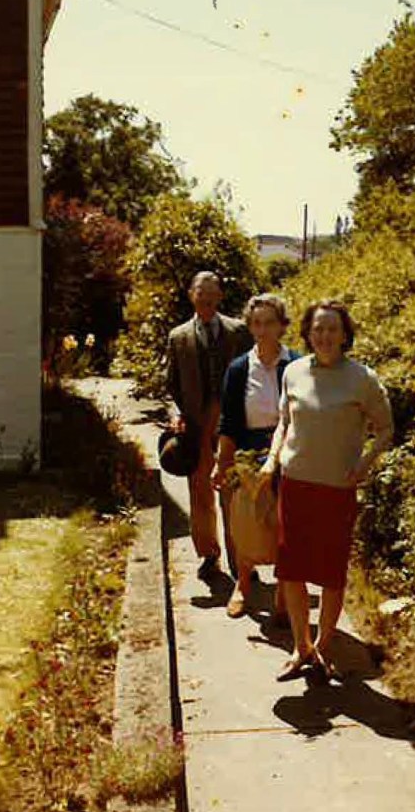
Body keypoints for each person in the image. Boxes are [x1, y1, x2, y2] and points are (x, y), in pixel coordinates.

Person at [259, 299, 393, 682]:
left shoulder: (362, 379)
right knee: (293, 570)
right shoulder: (294, 372)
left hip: (336, 489)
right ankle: (301, 648)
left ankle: (323, 645)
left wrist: (363, 466)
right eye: (318, 328)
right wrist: (273, 459)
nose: (325, 336)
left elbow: (385, 429)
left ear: (345, 334)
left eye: (332, 329)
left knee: (331, 575)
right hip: (296, 485)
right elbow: (284, 422)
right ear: (307, 332)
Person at [212, 293, 301, 620]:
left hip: (288, 452)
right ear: (250, 327)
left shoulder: (296, 365)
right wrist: (222, 464)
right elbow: (229, 421)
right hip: (248, 453)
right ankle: (243, 585)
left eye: (270, 323)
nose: (263, 330)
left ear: (282, 327)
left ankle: (281, 592)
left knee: (283, 525)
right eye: (257, 323)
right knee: (247, 523)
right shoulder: (238, 369)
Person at [166, 271, 253, 579]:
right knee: (200, 492)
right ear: (191, 295)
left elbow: (252, 376)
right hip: (196, 423)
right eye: (200, 293)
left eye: (211, 294)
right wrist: (178, 414)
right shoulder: (178, 337)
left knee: (235, 493)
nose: (205, 299)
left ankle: (242, 560)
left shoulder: (240, 332)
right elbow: (171, 385)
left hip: (232, 423)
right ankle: (209, 555)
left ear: (220, 297)